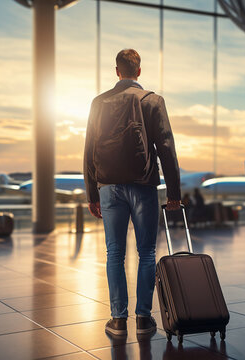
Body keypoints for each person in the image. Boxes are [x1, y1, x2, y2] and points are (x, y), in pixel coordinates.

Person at [83, 49, 181, 337]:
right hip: (144, 185)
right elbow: (166, 147)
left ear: (117, 72)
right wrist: (173, 192)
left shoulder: (98, 103)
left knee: (114, 253)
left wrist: (92, 193)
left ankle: (117, 319)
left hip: (109, 187)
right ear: (139, 71)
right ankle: (143, 319)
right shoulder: (152, 100)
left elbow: (89, 150)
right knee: (147, 251)